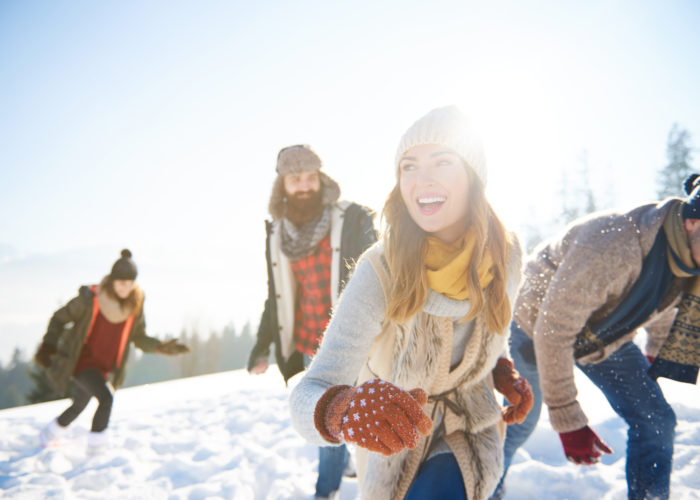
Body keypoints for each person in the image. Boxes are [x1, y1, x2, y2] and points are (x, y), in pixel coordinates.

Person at [289, 106, 533, 500]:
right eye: (409, 166)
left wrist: (498, 368)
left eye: (443, 162)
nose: (423, 180)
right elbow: (309, 391)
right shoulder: (380, 269)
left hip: (471, 426)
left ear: (473, 175)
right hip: (394, 440)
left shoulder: (506, 256)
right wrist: (343, 410)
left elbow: (492, 330)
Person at [494, 175, 700, 500]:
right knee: (519, 424)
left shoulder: (687, 263)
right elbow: (554, 329)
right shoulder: (614, 245)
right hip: (535, 326)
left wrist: (653, 354)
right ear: (691, 222)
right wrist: (567, 418)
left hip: (602, 334)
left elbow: (659, 301)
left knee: (656, 419)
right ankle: (485, 488)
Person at [247, 144, 377, 499]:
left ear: (320, 178)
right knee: (327, 416)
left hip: (352, 340)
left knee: (336, 415)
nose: (303, 186)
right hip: (307, 344)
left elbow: (381, 274)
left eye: (309, 177)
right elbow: (275, 297)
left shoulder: (353, 219)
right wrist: (262, 346)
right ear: (282, 185)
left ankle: (325, 491)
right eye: (294, 179)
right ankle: (340, 469)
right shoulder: (277, 233)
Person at [34, 249, 189, 454]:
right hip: (81, 361)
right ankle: (95, 452)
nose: (125, 287)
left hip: (104, 365)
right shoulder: (91, 299)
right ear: (112, 280)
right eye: (121, 282)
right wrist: (48, 345)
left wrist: (162, 347)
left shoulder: (135, 304)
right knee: (106, 399)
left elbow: (138, 336)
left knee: (80, 403)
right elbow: (59, 318)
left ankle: (48, 435)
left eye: (130, 283)